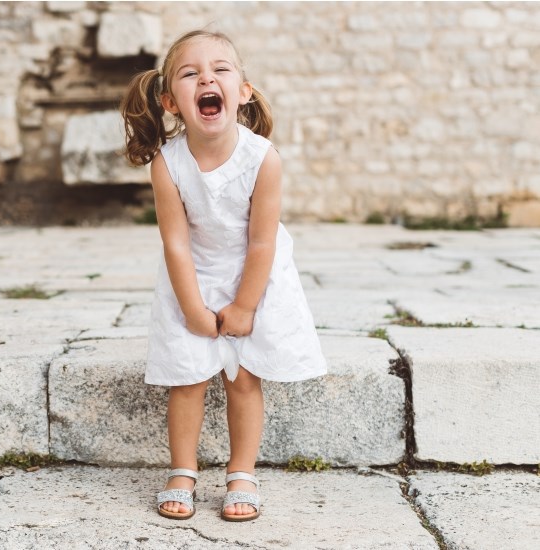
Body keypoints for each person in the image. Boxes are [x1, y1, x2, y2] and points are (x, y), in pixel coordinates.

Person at [119, 29, 327, 522]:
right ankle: (183, 470)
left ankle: (242, 473)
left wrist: (245, 306)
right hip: (193, 272)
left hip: (255, 274)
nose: (206, 78)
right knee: (187, 378)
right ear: (172, 101)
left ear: (243, 92)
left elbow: (262, 241)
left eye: (220, 70)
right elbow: (175, 241)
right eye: (190, 74)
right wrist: (192, 305)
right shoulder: (167, 164)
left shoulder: (262, 159)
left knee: (243, 376)